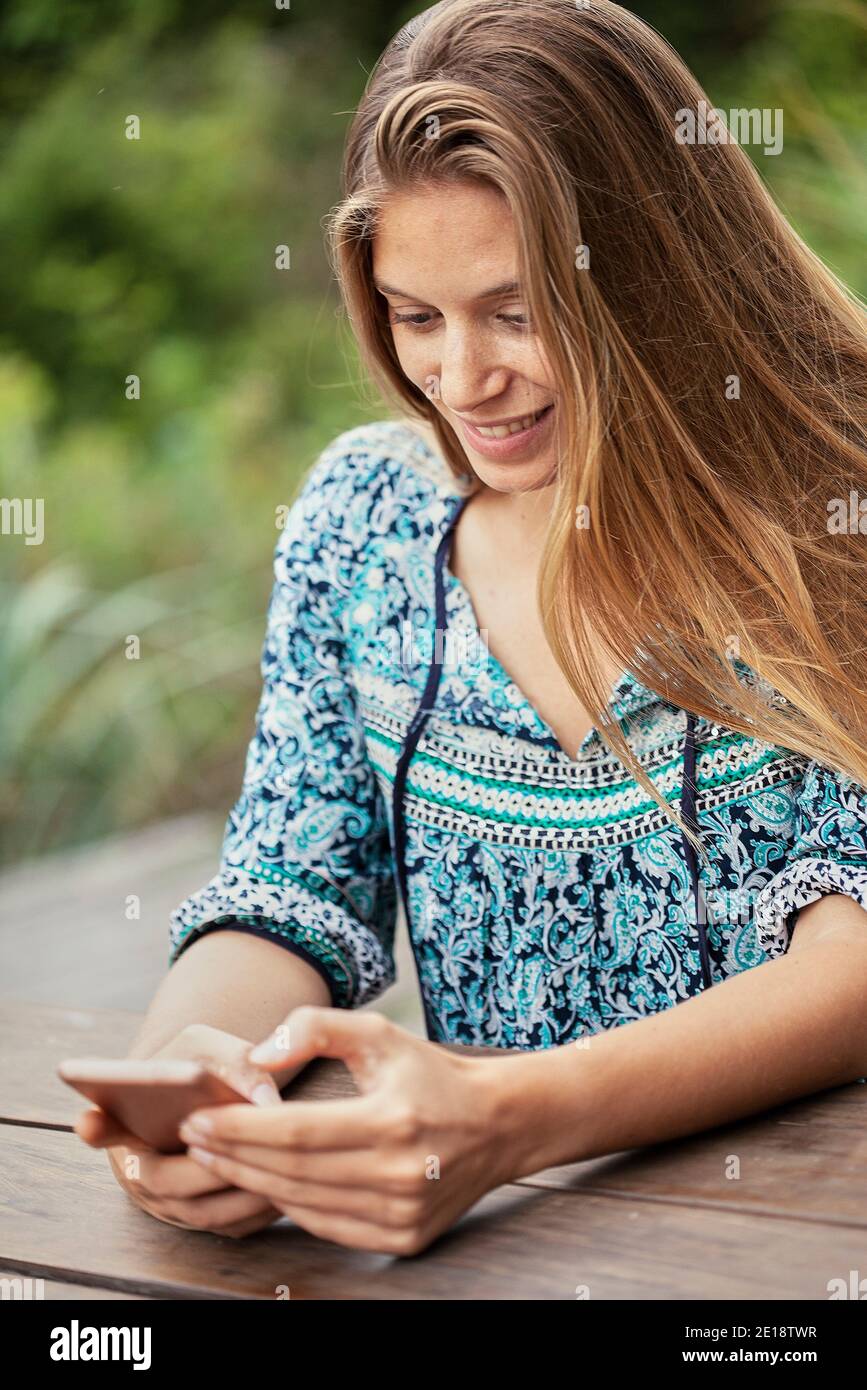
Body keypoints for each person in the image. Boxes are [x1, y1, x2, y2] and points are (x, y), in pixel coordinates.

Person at [75, 0, 867, 1256]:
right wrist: (194, 1080)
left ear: (658, 270)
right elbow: (290, 879)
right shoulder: (358, 521)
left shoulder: (833, 509)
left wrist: (506, 1118)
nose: (462, 379)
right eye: (414, 315)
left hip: (794, 1252)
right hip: (498, 1258)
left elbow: (855, 959)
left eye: (516, 310)